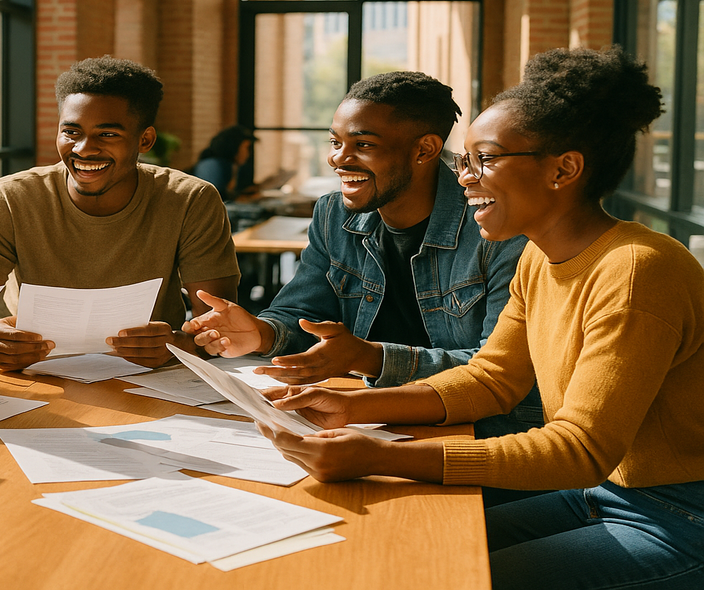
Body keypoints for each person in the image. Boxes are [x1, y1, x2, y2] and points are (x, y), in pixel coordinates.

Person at [259, 47, 704, 590]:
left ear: (564, 168)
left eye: (485, 160)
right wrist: (350, 405)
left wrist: (381, 454)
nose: (464, 178)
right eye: (463, 161)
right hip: (600, 494)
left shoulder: (636, 270)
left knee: (443, 579)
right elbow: (491, 380)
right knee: (406, 553)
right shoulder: (540, 255)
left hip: (676, 518)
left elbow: (579, 449)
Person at [185, 72, 541, 437]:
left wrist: (369, 358)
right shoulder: (333, 215)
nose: (338, 158)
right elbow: (305, 314)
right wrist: (262, 332)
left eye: (363, 145)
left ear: (425, 149)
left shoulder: (496, 229)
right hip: (360, 416)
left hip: (475, 429)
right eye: (335, 141)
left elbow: (497, 372)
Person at [0, 56, 240, 370]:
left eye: (107, 134)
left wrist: (176, 345)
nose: (84, 149)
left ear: (145, 139)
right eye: (71, 132)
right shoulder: (11, 198)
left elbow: (220, 329)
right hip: (37, 375)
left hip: (151, 380)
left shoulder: (191, 200)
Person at [191, 125, 256, 201]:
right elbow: (211, 200)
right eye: (247, 148)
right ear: (234, 147)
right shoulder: (212, 166)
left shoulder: (232, 166)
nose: (248, 153)